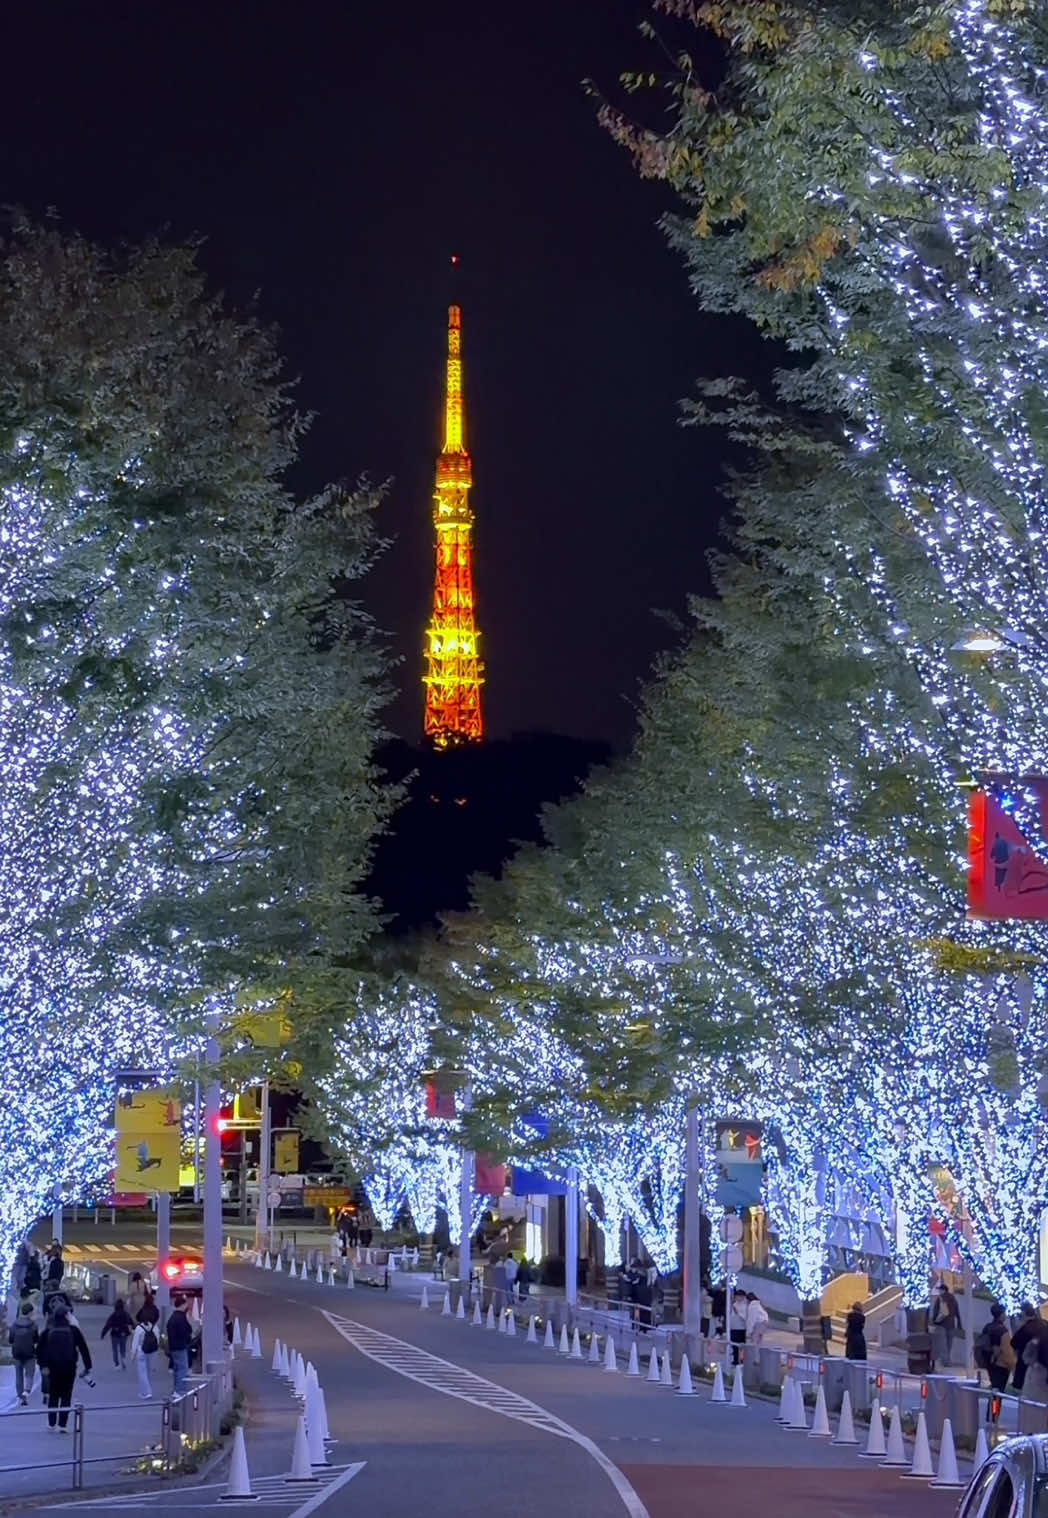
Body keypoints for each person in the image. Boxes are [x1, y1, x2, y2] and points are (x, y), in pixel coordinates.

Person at [37, 1303, 91, 1431]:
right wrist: (88, 1366)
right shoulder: (73, 1330)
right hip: (69, 1366)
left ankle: (51, 1423)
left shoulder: (48, 1331)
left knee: (54, 1394)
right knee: (67, 1395)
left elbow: (39, 1350)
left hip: (53, 1367)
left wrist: (43, 1365)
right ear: (66, 1316)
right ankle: (63, 1424)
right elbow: (83, 1348)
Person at [982, 1303, 1015, 1398]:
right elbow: (1007, 1352)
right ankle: (995, 1411)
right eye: (1004, 1313)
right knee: (999, 1392)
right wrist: (1012, 1366)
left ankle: (992, 1411)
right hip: (1001, 1366)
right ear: (1001, 1315)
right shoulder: (1003, 1331)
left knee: (994, 1390)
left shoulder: (987, 1327)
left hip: (989, 1362)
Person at [9, 1301, 39, 1405]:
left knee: (18, 1375)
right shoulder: (33, 1325)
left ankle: (20, 1396)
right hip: (30, 1354)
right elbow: (36, 1340)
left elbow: (10, 1340)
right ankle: (27, 1391)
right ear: (30, 1312)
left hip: (17, 1354)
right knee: (29, 1374)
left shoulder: (14, 1324)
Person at [165, 1295, 193, 1396]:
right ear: (183, 1305)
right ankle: (179, 1390)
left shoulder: (172, 1318)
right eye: (185, 1304)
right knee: (182, 1369)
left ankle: (176, 1389)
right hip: (181, 1346)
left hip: (173, 1347)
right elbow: (187, 1331)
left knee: (177, 1369)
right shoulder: (181, 1318)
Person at [129, 1314, 159, 1399]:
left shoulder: (139, 1328)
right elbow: (157, 1340)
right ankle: (146, 1390)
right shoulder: (155, 1327)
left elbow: (135, 1342)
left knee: (142, 1373)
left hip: (141, 1351)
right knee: (149, 1371)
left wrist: (132, 1355)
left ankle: (146, 1392)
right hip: (152, 1352)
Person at [931, 1283, 961, 1367]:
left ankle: (945, 1361)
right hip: (951, 1323)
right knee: (949, 1344)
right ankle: (948, 1361)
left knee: (943, 1344)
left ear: (943, 1290)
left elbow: (936, 1311)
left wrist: (934, 1321)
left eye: (940, 1290)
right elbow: (957, 1310)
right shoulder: (953, 1298)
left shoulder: (940, 1298)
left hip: (942, 1323)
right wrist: (959, 1322)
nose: (939, 1291)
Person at [101, 1298, 134, 1370]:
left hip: (115, 1334)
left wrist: (103, 1334)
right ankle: (123, 1361)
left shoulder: (113, 1315)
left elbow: (108, 1325)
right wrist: (134, 1328)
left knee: (115, 1350)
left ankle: (116, 1364)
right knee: (123, 1349)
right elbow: (131, 1322)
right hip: (124, 1333)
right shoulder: (126, 1314)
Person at [42, 1243, 64, 1316]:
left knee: (51, 1295)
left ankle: (49, 1309)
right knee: (49, 1295)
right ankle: (48, 1309)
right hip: (49, 1279)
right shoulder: (50, 1259)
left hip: (52, 1279)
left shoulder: (56, 1260)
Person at [729, 1292, 748, 1365]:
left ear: (742, 1297)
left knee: (741, 1345)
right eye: (736, 1296)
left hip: (741, 1329)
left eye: (738, 1296)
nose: (737, 1298)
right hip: (733, 1327)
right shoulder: (734, 1305)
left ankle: (742, 1360)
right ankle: (735, 1360)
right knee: (734, 1345)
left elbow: (745, 1318)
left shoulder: (745, 1306)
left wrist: (738, 1312)